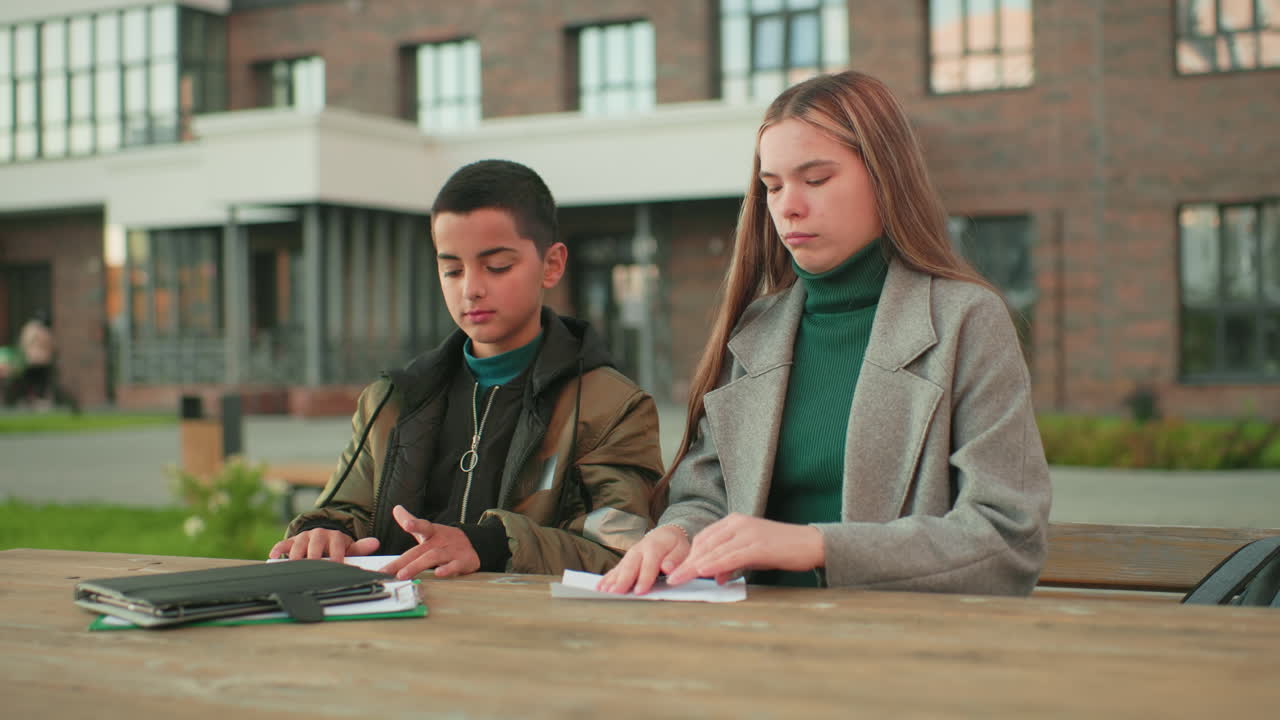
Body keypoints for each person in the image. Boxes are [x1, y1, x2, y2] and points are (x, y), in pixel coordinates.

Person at [599, 71, 1051, 596]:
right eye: (772, 186)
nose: (787, 205)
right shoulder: (756, 330)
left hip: (900, 652)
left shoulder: (966, 320)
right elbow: (707, 497)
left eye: (816, 180)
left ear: (886, 177)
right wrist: (676, 534)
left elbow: (1006, 538)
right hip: (748, 643)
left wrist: (816, 546)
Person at [271, 160, 664, 579]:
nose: (471, 289)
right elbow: (344, 509)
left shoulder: (611, 408)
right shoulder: (391, 400)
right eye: (452, 270)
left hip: (529, 634)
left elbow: (622, 551)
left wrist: (491, 545)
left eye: (497, 267)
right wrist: (322, 532)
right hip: (397, 630)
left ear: (552, 264)